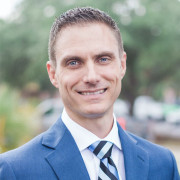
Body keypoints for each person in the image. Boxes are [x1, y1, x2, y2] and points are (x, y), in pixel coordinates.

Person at [0, 7, 179, 180]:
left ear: (122, 65)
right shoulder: (15, 170)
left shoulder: (163, 164)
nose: (91, 77)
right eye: (74, 62)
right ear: (53, 74)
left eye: (103, 59)